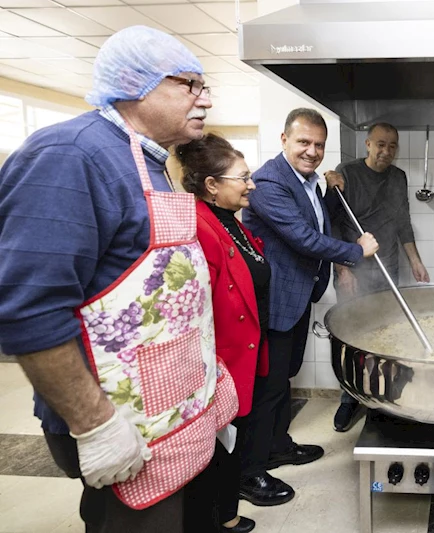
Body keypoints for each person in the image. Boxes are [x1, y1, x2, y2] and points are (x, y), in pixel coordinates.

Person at [0, 26, 238, 531]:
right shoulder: (70, 154)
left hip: (169, 409)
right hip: (119, 420)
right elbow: (29, 309)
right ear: (135, 83)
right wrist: (95, 425)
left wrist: (206, 376)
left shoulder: (151, 164)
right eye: (190, 85)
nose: (206, 99)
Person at [240, 108, 379, 505]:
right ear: (284, 139)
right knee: (267, 387)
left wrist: (331, 193)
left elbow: (316, 221)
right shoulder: (269, 182)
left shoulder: (307, 181)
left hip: (298, 294)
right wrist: (356, 251)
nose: (312, 151)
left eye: (319, 145)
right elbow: (303, 238)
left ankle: (277, 446)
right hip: (276, 299)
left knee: (283, 377)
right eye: (304, 142)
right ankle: (249, 473)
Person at [177, 133, 268, 531]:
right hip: (220, 358)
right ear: (212, 185)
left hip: (242, 348)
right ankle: (213, 520)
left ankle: (227, 514)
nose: (250, 185)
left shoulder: (228, 220)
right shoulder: (199, 225)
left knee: (232, 437)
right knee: (214, 445)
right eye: (242, 178)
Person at [324, 122, 430, 432]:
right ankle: (349, 399)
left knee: (386, 334)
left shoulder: (398, 178)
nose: (386, 151)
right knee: (353, 336)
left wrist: (416, 262)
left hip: (388, 270)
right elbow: (333, 224)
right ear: (368, 144)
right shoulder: (348, 172)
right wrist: (342, 269)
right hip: (354, 270)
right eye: (380, 144)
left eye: (392, 146)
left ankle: (383, 396)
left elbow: (403, 223)